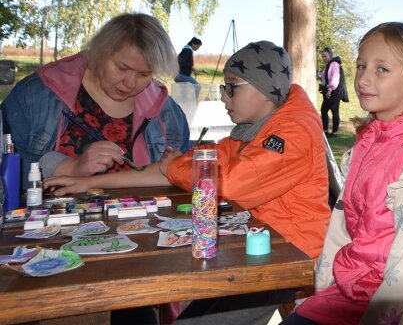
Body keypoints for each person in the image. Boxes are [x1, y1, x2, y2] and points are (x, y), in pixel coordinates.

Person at [46, 40, 331, 324]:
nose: (224, 97)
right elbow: (167, 170)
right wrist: (88, 184)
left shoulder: (293, 133)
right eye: (224, 88)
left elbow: (228, 183)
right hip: (259, 249)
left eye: (232, 87)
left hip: (290, 259)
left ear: (265, 89)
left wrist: (178, 165)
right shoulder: (249, 132)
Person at [284, 22, 403, 325]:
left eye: (381, 69)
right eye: (361, 65)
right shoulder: (369, 142)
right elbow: (342, 221)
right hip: (357, 286)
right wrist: (321, 287)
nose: (363, 78)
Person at [1, 13, 190, 182]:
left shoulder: (166, 112)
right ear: (99, 53)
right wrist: (68, 167)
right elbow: (5, 162)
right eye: (122, 68)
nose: (130, 83)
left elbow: (187, 172)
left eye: (144, 75)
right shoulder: (37, 94)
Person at [319, 47, 347, 137]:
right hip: (332, 91)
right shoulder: (329, 64)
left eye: (325, 56)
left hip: (334, 91)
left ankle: (332, 133)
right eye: (322, 57)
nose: (324, 58)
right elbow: (326, 76)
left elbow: (334, 78)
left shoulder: (334, 64)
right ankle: (328, 132)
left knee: (330, 111)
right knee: (327, 110)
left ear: (330, 55)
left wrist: (330, 90)